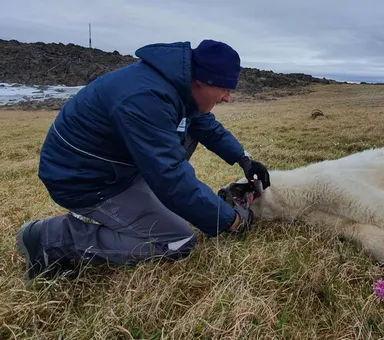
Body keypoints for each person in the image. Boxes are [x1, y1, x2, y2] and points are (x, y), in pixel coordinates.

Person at [15, 39, 271, 283]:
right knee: (177, 240)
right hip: (83, 179)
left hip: (114, 168)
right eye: (225, 89)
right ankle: (51, 239)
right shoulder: (146, 98)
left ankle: (146, 202)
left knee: (189, 140)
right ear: (201, 81)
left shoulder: (179, 86)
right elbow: (169, 176)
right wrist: (230, 220)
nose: (228, 98)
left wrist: (244, 159)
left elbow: (205, 127)